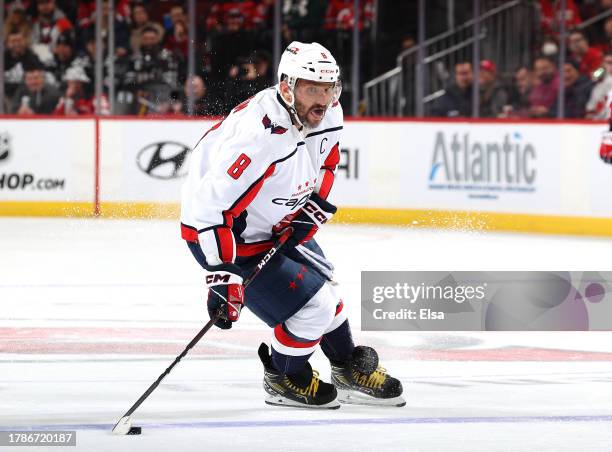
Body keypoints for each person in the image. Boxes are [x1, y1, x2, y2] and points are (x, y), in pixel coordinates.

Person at [180, 42, 404, 409]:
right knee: (312, 308)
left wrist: (313, 207)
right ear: (287, 87)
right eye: (312, 88)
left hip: (276, 221)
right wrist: (222, 274)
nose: (323, 98)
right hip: (231, 238)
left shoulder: (329, 112)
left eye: (329, 88)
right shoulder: (258, 139)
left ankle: (347, 368)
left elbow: (327, 160)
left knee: (327, 292)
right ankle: (284, 377)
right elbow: (207, 210)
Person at [586, 51, 612, 119]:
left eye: (610, 63)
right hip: (595, 115)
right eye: (606, 62)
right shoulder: (601, 72)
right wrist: (602, 69)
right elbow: (593, 77)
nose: (608, 65)